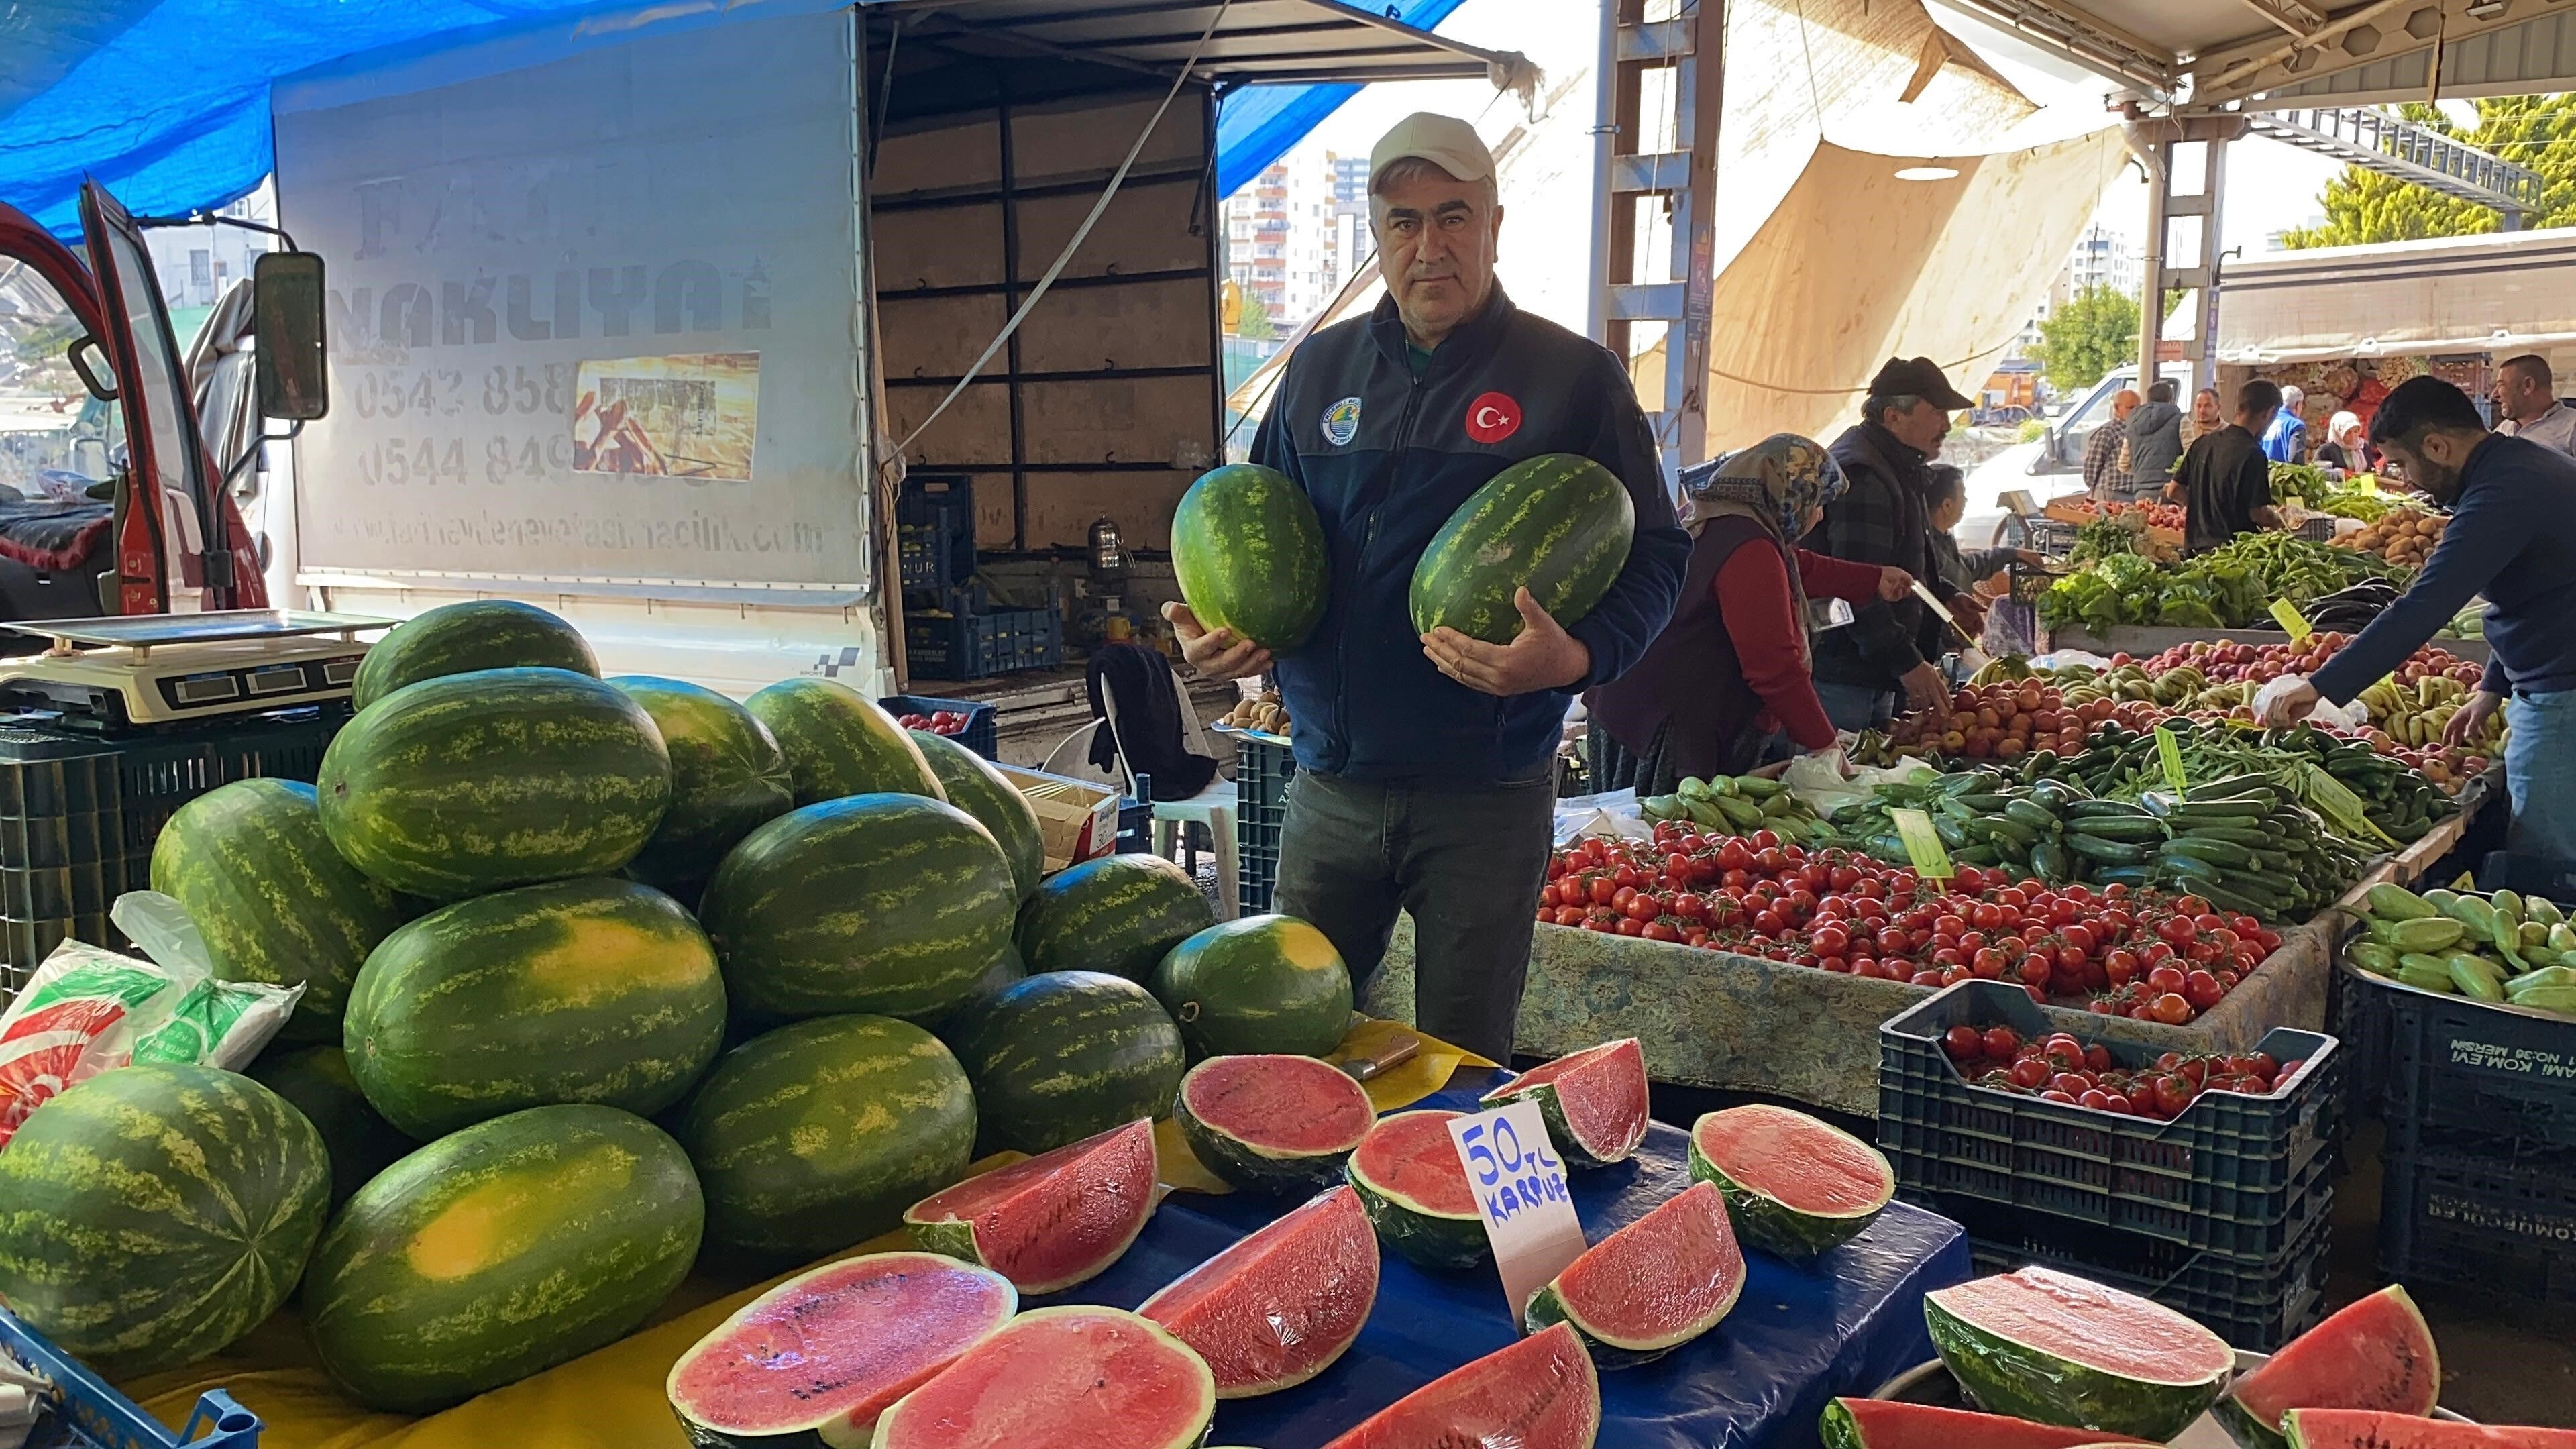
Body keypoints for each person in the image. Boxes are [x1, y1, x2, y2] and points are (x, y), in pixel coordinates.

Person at [1161, 113, 1688, 1062]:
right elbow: (1259, 520)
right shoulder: (1320, 369)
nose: (1429, 246)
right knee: (1286, 1044)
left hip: (1483, 794)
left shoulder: (1572, 377)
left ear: (1493, 222)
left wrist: (1577, 656)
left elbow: (1659, 557)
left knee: (1462, 1060)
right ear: (1378, 237)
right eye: (1403, 222)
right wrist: (1226, 633)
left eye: (1453, 217)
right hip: (1330, 784)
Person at [2259, 376, 2576, 864]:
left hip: (2564, 696)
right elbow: (2535, 593)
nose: (2405, 479)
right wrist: (2493, 687)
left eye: (2405, 464)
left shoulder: (2503, 492)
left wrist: (2322, 685)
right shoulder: (2520, 467)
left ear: (2437, 446)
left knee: (2551, 861)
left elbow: (2424, 605)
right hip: (2553, 676)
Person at [1585, 436, 1913, 794]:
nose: (1818, 515)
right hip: (1667, 726)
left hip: (1633, 708)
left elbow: (1795, 565)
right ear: (1790, 492)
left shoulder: (1719, 516)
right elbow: (1774, 667)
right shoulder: (1749, 545)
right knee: (1660, 838)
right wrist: (1827, 747)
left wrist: (1873, 578)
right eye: (1816, 502)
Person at [1806, 357, 1978, 731]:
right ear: (1893, 416)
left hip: (1868, 671)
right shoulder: (1864, 474)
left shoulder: (1895, 462)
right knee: (1837, 782)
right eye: (1936, 412)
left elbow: (1900, 557)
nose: (1946, 426)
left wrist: (1941, 595)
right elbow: (1858, 585)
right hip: (1845, 674)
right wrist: (1907, 663)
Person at [2167, 378, 2287, 554]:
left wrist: (2204, 510)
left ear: (2238, 408)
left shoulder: (2202, 443)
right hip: (2231, 557)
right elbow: (2257, 513)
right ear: (2269, 413)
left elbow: (2174, 491)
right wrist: (2277, 520)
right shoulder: (2253, 454)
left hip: (2194, 552)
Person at [2493, 354, 2576, 455]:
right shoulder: (2504, 428)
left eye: (2501, 385)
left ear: (2528, 386)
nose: (2495, 395)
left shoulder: (2572, 427)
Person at [2123, 379, 2184, 501]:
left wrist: (2142, 471)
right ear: (2172, 399)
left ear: (2148, 399)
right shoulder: (2181, 420)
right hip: (2171, 491)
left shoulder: (2133, 422)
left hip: (2141, 493)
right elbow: (2190, 454)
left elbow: (2124, 464)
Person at [2083, 388, 2138, 500]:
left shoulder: (2140, 429)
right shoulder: (2107, 432)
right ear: (2117, 408)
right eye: (2131, 407)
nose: (2136, 411)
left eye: (2139, 407)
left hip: (2134, 493)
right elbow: (2092, 467)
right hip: (2111, 492)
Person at [2261, 384, 2308, 463]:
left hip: (2263, 472)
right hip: (2282, 474)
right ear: (2298, 405)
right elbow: (2295, 461)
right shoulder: (2295, 425)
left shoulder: (2267, 421)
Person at [2317, 410, 2372, 475]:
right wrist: (2339, 473)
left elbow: (2370, 469)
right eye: (2348, 433)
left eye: (2356, 431)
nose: (2353, 436)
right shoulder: (2326, 451)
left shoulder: (2363, 447)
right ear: (2338, 433)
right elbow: (2317, 472)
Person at [2181, 387, 2224, 451]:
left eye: (2208, 406)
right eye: (2199, 406)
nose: (2202, 411)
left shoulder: (2228, 432)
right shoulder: (2187, 430)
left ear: (2218, 407)